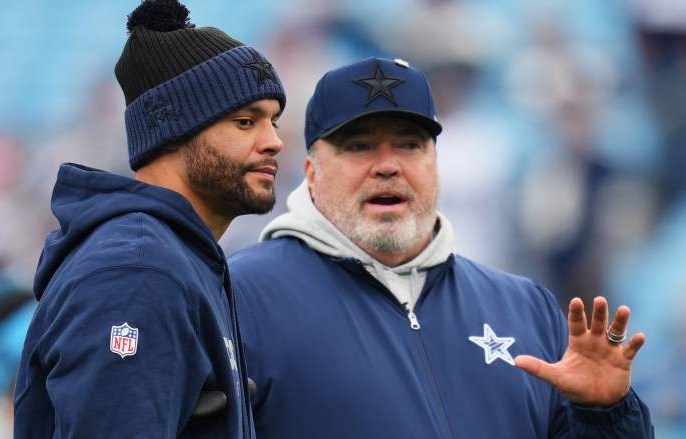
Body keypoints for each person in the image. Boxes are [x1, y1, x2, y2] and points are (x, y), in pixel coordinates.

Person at [229, 57, 654, 438]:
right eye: (358, 146)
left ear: (436, 163)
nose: (388, 165)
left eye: (409, 145)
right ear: (311, 172)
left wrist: (605, 416)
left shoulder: (525, 308)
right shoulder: (239, 296)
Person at [13, 1, 285, 437]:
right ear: (174, 130)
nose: (275, 141)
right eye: (245, 121)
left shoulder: (175, 258)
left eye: (274, 120)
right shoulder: (139, 273)